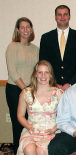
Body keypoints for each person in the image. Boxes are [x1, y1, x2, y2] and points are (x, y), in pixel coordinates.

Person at [5, 17, 39, 154]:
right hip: (15, 90)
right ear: (18, 30)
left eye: (28, 27)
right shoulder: (13, 46)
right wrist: (25, 90)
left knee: (30, 124)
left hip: (31, 90)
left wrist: (33, 90)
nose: (25, 30)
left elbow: (37, 70)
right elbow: (12, 71)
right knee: (19, 123)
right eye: (22, 27)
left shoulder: (35, 48)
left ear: (31, 29)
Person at [17, 60, 63, 155]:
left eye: (46, 72)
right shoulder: (25, 93)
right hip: (31, 131)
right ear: (35, 74)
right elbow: (20, 115)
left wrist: (53, 129)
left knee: (41, 151)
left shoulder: (58, 94)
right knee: (29, 149)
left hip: (51, 132)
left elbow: (65, 117)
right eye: (40, 72)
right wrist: (29, 127)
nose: (43, 76)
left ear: (51, 75)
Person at [39, 5, 76, 91]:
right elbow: (43, 63)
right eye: (59, 14)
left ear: (69, 17)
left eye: (65, 14)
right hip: (52, 86)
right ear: (55, 17)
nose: (62, 17)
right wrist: (54, 83)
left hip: (75, 86)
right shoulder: (46, 38)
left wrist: (70, 83)